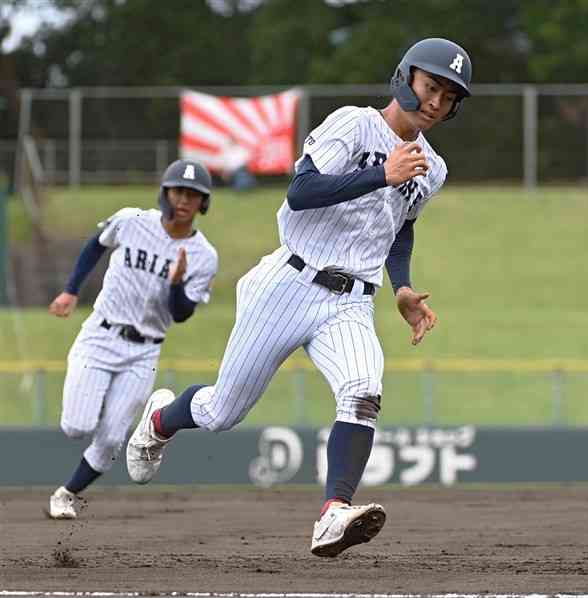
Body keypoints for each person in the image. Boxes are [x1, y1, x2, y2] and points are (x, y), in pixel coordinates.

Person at [126, 37, 472, 557]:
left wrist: (401, 286)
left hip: (352, 299)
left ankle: (333, 514)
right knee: (223, 411)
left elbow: (400, 229)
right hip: (289, 281)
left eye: (449, 97)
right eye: (431, 87)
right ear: (405, 78)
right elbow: (301, 192)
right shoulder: (353, 124)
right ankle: (158, 422)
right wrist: (381, 172)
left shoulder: (433, 168)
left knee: (363, 388)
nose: (437, 103)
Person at [46, 159, 219, 519]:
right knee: (75, 426)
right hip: (101, 334)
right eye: (178, 191)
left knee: (111, 439)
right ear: (165, 193)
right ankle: (109, 414)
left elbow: (183, 314)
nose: (184, 199)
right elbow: (95, 244)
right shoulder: (132, 220)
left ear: (203, 202)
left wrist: (175, 284)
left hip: (144, 350)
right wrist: (71, 291)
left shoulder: (204, 256)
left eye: (193, 194)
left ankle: (66, 494)